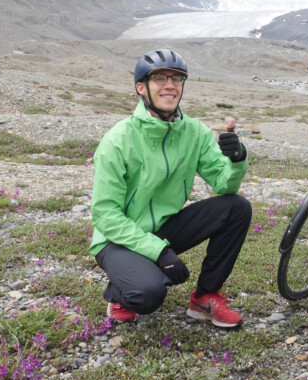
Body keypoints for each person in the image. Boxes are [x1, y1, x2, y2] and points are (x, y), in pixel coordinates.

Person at [89, 49, 251, 328]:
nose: (170, 85)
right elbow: (105, 215)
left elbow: (223, 185)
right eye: (159, 78)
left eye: (177, 78)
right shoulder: (118, 140)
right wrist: (160, 252)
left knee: (236, 207)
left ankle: (205, 297)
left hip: (163, 227)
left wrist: (236, 159)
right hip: (117, 239)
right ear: (141, 88)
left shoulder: (195, 132)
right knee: (147, 294)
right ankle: (119, 293)